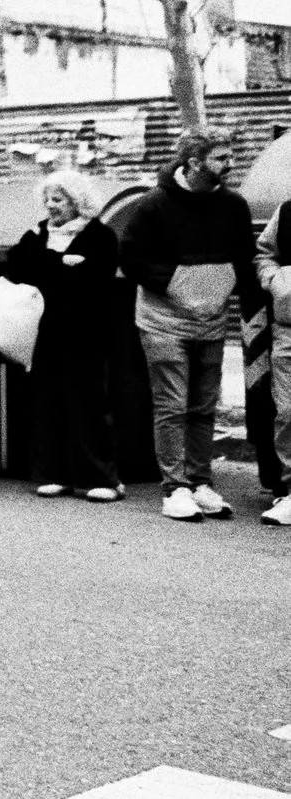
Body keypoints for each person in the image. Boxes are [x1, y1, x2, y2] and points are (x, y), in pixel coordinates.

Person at [114, 129, 260, 522]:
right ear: (194, 162)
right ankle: (174, 488)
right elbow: (130, 259)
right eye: (221, 158)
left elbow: (245, 257)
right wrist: (179, 285)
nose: (230, 164)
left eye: (230, 156)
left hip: (211, 320)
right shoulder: (153, 204)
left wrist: (231, 294)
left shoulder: (234, 205)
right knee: (172, 405)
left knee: (204, 405)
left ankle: (200, 482)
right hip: (163, 320)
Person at [1, 169, 123, 502]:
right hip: (45, 331)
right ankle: (52, 473)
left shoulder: (100, 235)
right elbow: (16, 267)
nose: (50, 206)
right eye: (47, 199)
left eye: (58, 199)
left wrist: (47, 267)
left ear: (77, 201)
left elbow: (95, 277)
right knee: (47, 401)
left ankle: (99, 477)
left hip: (87, 332)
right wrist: (61, 262)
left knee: (88, 403)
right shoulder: (37, 233)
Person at [256, 197, 291, 527]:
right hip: (288, 329)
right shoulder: (288, 210)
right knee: (288, 411)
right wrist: (275, 281)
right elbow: (264, 253)